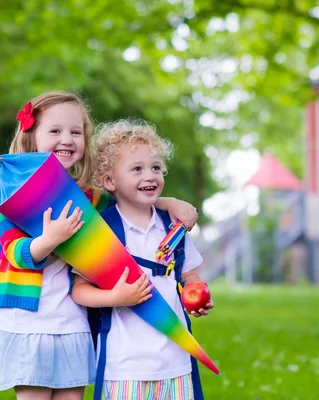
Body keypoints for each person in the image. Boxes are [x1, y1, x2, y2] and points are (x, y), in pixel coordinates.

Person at [0, 92, 198, 400]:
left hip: (74, 321)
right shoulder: (12, 193)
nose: (67, 139)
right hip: (28, 322)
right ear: (31, 135)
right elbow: (14, 253)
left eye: (76, 132)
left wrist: (171, 202)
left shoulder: (90, 197)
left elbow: (130, 195)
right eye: (55, 131)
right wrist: (50, 240)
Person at [71, 119, 214, 400]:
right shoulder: (101, 232)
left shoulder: (174, 226)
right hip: (124, 368)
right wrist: (116, 297)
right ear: (110, 181)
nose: (150, 176)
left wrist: (196, 297)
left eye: (156, 168)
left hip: (176, 362)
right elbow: (78, 290)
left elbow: (190, 277)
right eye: (137, 169)